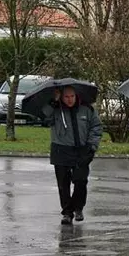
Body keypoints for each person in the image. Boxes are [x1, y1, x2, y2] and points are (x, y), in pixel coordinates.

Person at [43, 86, 103, 225]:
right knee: (63, 184)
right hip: (61, 150)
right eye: (66, 97)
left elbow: (96, 127)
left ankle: (78, 208)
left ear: (76, 96)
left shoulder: (87, 109)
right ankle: (67, 213)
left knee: (80, 181)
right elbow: (44, 117)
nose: (69, 100)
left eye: (72, 96)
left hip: (82, 150)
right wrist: (54, 101)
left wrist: (92, 146)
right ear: (61, 97)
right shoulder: (55, 109)